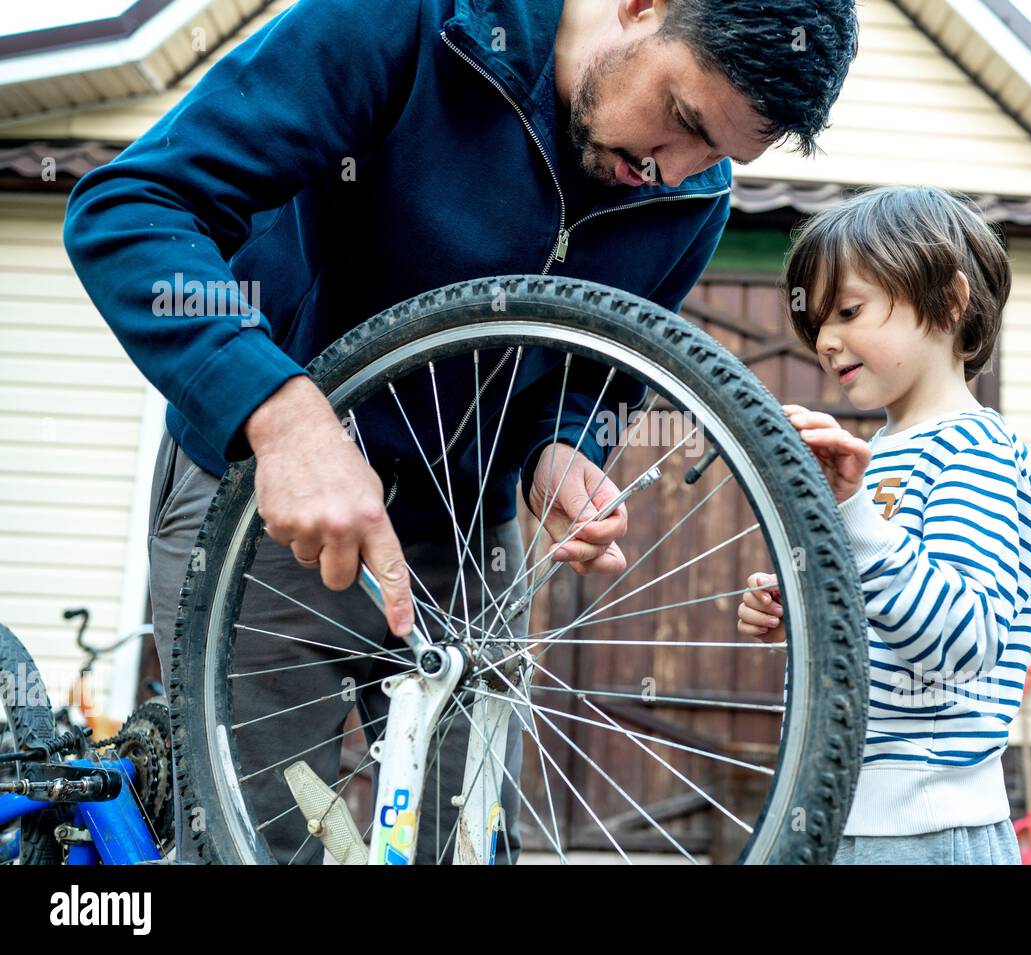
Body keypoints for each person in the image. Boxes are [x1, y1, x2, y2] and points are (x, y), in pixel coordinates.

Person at [63, 0, 859, 862]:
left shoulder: (691, 195)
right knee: (255, 838)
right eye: (682, 120)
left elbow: (600, 371)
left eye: (718, 154)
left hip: (465, 532)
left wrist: (566, 448)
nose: (677, 173)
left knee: (465, 845)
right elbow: (134, 208)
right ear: (641, 7)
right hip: (268, 507)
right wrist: (278, 410)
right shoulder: (407, 22)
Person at [736, 186, 1031, 865]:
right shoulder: (877, 459)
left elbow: (964, 639)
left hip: (925, 828)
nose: (825, 339)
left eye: (848, 310)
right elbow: (884, 608)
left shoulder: (977, 451)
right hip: (838, 804)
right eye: (816, 322)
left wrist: (854, 519)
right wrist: (803, 603)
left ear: (949, 300)